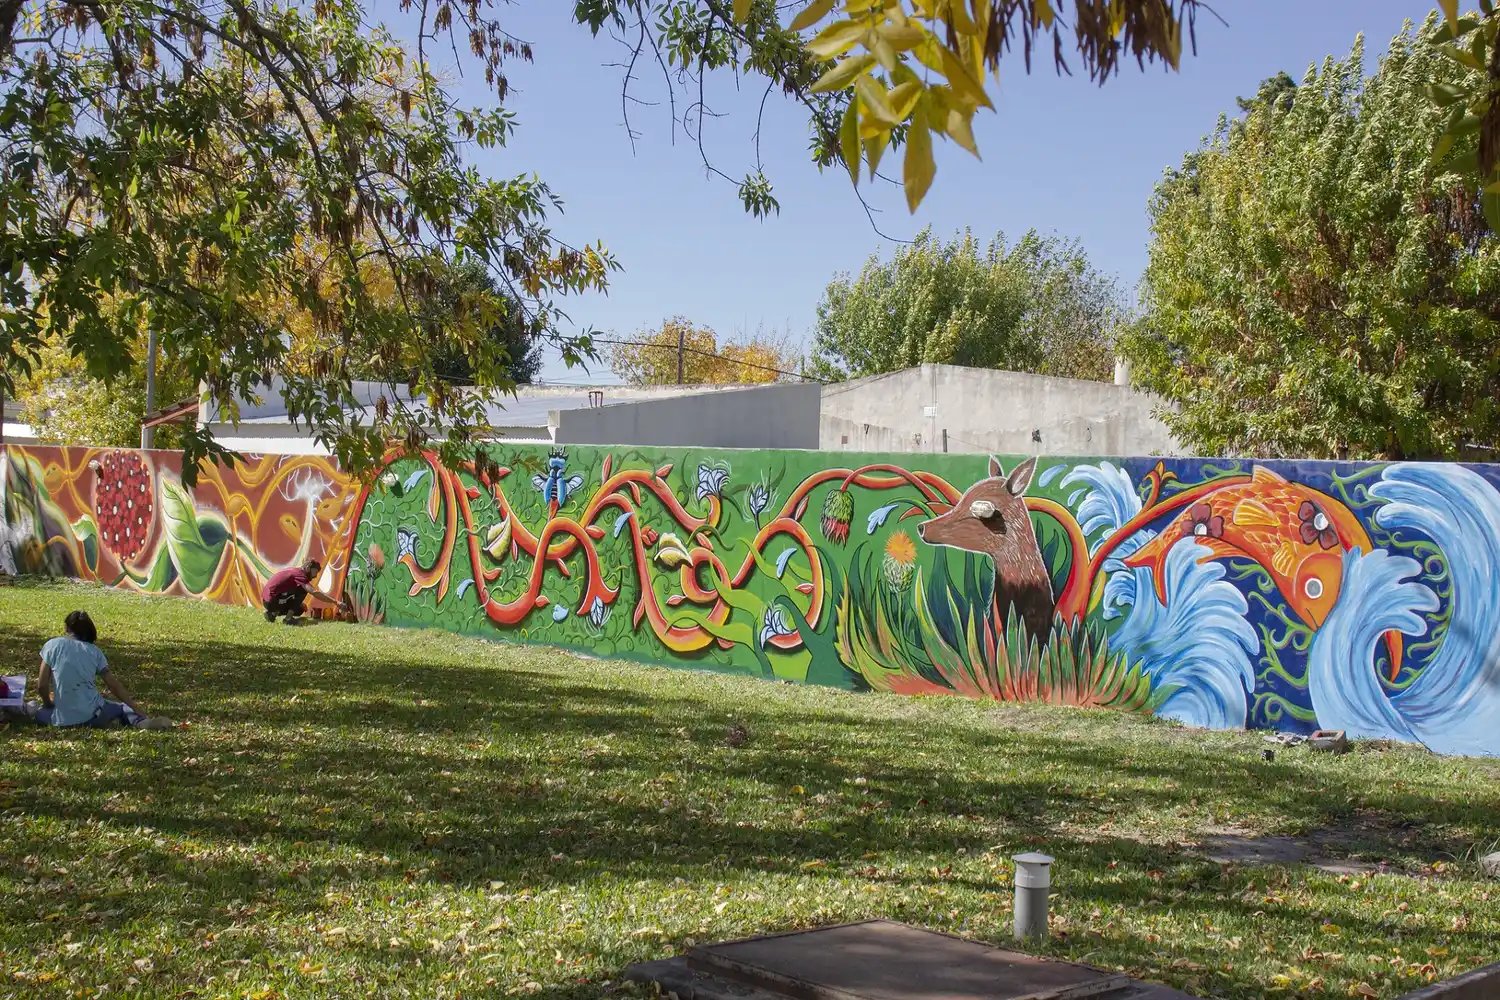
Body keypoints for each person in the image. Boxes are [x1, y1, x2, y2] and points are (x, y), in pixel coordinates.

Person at [33, 611, 171, 729]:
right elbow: (113, 685)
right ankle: (142, 722)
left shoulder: (52, 645)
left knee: (38, 712)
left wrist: (47, 704)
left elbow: (42, 685)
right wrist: (135, 707)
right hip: (93, 716)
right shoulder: (95, 652)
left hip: (59, 719)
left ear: (67, 628)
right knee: (122, 708)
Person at [261, 558, 334, 623]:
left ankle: (272, 614)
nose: (315, 576)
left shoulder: (294, 571)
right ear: (308, 568)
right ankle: (288, 619)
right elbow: (313, 592)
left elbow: (286, 590)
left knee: (300, 609)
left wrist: (299, 603)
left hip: (267, 600)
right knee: (304, 589)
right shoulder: (300, 574)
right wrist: (336, 602)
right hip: (273, 600)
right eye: (315, 572)